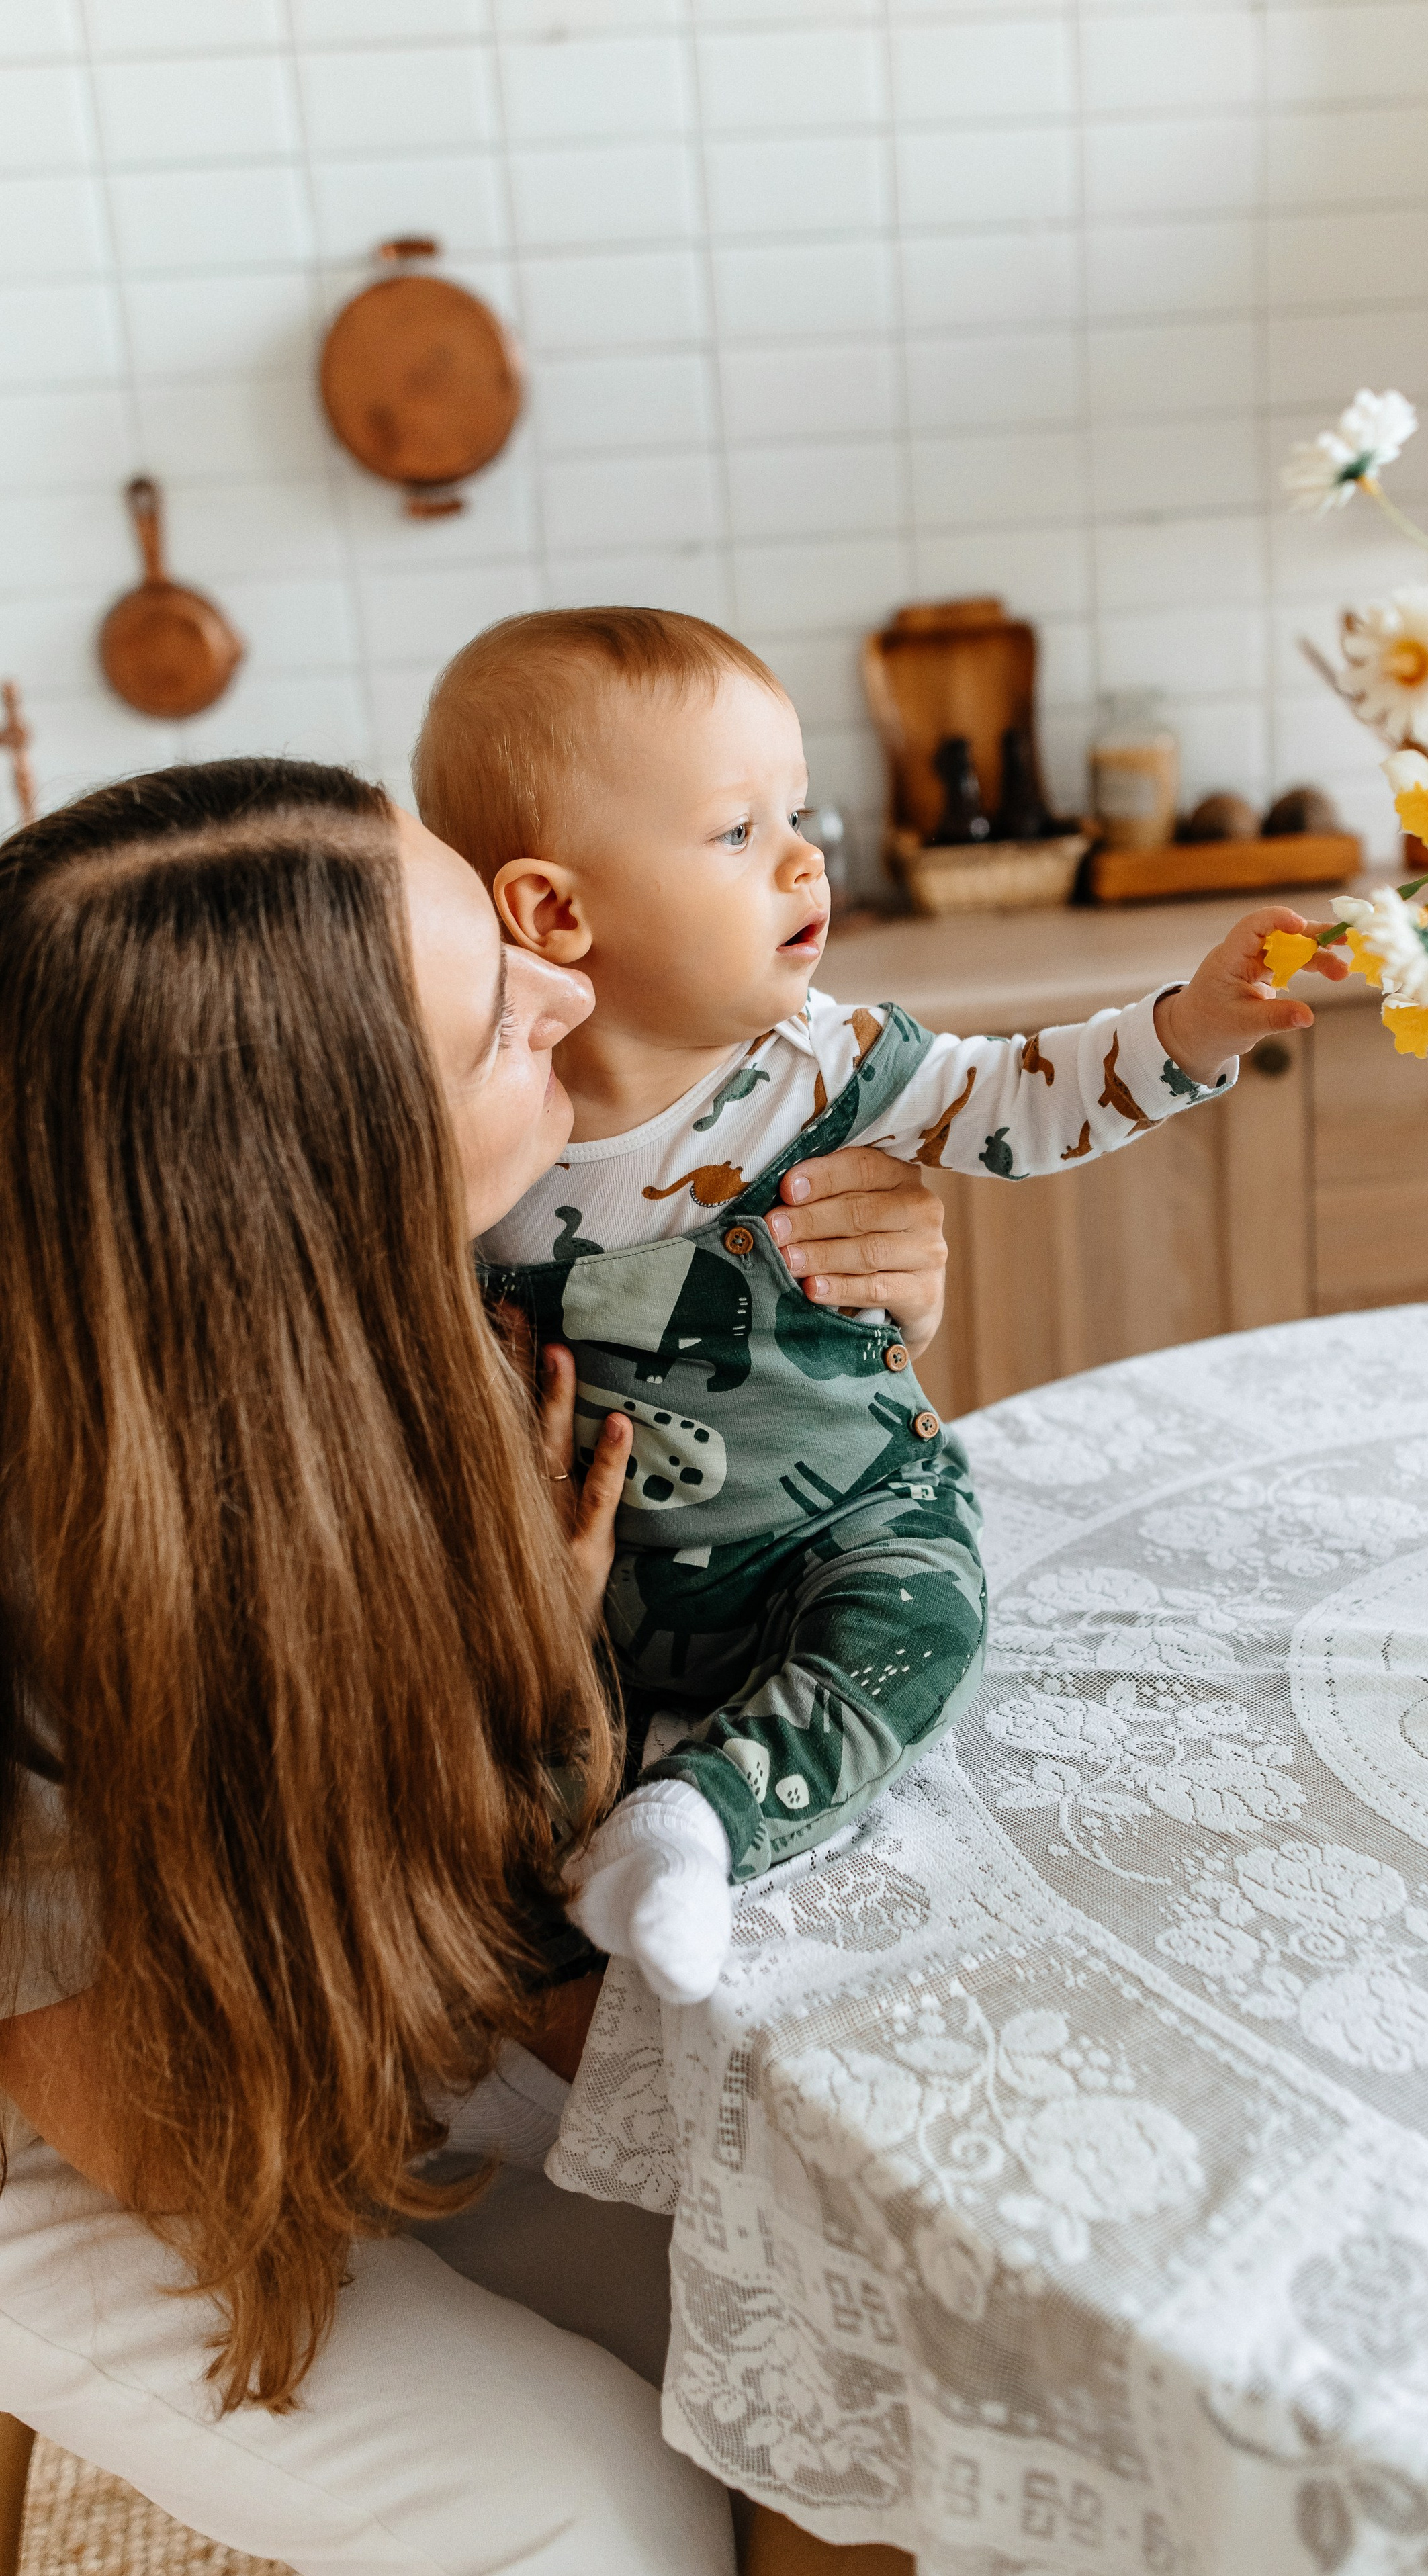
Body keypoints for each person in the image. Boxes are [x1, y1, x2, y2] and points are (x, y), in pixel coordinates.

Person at [0, 756, 952, 2576]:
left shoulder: (485, 1274)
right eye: (504, 1025)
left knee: (866, 2354)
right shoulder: (50, 1567)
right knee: (607, 2517)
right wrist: (502, 1680)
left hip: (377, 1983)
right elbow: (158, 2138)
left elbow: (826, 1550)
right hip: (143, 2130)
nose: (578, 992)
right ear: (322, 1179)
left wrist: (840, 1319)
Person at [412, 607, 1347, 2012]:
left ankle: (703, 1823)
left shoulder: (817, 1060)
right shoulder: (468, 1148)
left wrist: (1193, 1025)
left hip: (837, 1532)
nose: (805, 857)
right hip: (586, 1617)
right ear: (554, 912)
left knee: (925, 1617)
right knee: (513, 1798)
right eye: (735, 832)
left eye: (795, 814)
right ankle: (533, 1970)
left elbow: (1025, 1094)